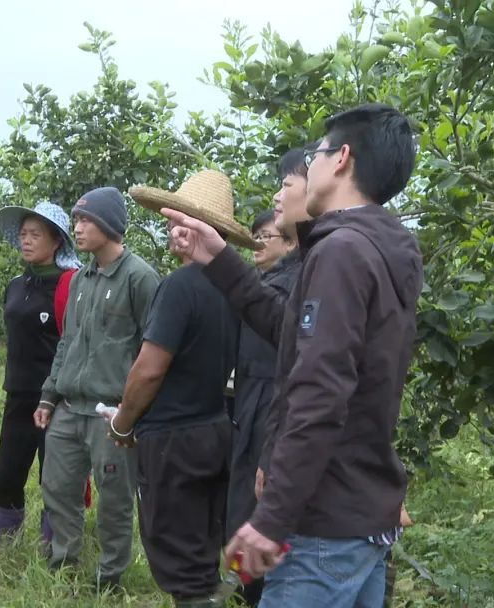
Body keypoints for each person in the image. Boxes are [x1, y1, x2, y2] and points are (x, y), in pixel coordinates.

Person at [166, 103, 422, 608]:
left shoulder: (342, 251)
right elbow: (294, 334)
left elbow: (319, 392)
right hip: (359, 519)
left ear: (342, 158)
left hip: (323, 527)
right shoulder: (385, 246)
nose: (305, 173)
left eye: (317, 156)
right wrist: (219, 258)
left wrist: (272, 519)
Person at [102, 170, 256, 607]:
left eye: (183, 220)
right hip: (216, 427)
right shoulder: (238, 288)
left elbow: (149, 369)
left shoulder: (180, 286)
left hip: (174, 440)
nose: (172, 227)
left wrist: (122, 422)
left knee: (181, 564)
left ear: (209, 230)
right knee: (207, 546)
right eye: (171, 219)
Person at [33, 187, 160, 593]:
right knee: (58, 488)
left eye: (86, 220)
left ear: (109, 225)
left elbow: (153, 351)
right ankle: (63, 560)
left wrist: (136, 412)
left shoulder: (139, 277)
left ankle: (111, 575)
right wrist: (48, 395)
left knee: (115, 498)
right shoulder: (81, 280)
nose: (78, 227)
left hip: (113, 412)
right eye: (77, 219)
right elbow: (67, 342)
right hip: (69, 406)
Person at [224, 151, 308, 607]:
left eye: (266, 237)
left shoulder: (296, 285)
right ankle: (243, 588)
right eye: (253, 238)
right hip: (249, 405)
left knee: (254, 509)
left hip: (268, 410)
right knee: (240, 507)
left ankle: (252, 591)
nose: (258, 245)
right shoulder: (271, 286)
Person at [0, 202, 80, 541]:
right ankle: (5, 541)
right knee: (7, 472)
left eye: (35, 235)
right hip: (18, 392)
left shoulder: (71, 285)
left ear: (56, 241)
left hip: (56, 398)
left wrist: (56, 391)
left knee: (54, 475)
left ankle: (54, 543)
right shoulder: (16, 284)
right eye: (23, 234)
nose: (26, 241)